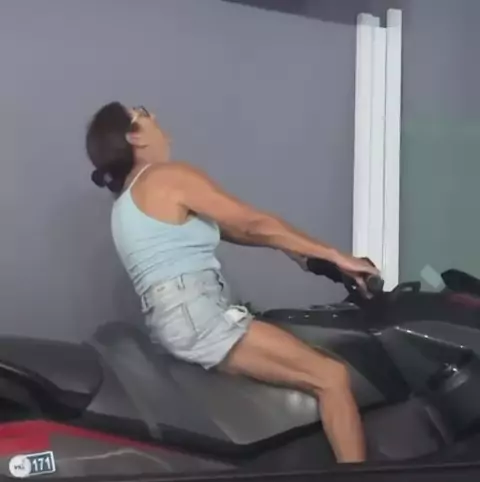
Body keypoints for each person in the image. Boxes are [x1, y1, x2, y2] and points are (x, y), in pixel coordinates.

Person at [86, 102, 380, 463]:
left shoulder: (128, 202)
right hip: (200, 316)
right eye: (143, 113)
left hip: (175, 320)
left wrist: (300, 254)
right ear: (134, 137)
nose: (155, 117)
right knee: (332, 377)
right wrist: (338, 255)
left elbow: (237, 231)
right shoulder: (165, 177)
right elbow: (253, 223)